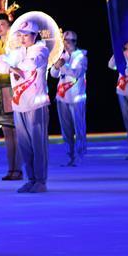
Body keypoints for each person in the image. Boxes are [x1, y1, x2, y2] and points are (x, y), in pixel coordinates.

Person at [0, 19, 51, 193]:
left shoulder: (41, 49)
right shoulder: (17, 52)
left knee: (38, 144)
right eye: (20, 35)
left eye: (26, 35)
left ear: (35, 35)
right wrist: (11, 69)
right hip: (19, 104)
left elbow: (33, 63)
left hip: (36, 104)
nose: (23, 38)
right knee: (25, 145)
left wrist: (12, 66)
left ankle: (40, 181)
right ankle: (31, 179)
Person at [0, 9, 23, 181]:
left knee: (16, 130)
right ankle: (11, 168)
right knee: (7, 132)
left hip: (12, 86)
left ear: (10, 26)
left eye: (2, 25)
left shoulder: (16, 45)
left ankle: (19, 168)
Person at [49, 30, 88, 166]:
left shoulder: (81, 56)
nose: (66, 44)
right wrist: (56, 65)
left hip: (76, 98)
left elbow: (76, 73)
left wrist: (62, 65)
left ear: (75, 42)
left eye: (69, 41)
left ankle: (80, 155)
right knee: (66, 130)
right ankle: (69, 155)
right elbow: (53, 74)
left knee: (79, 128)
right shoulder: (62, 55)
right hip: (62, 98)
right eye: (64, 41)